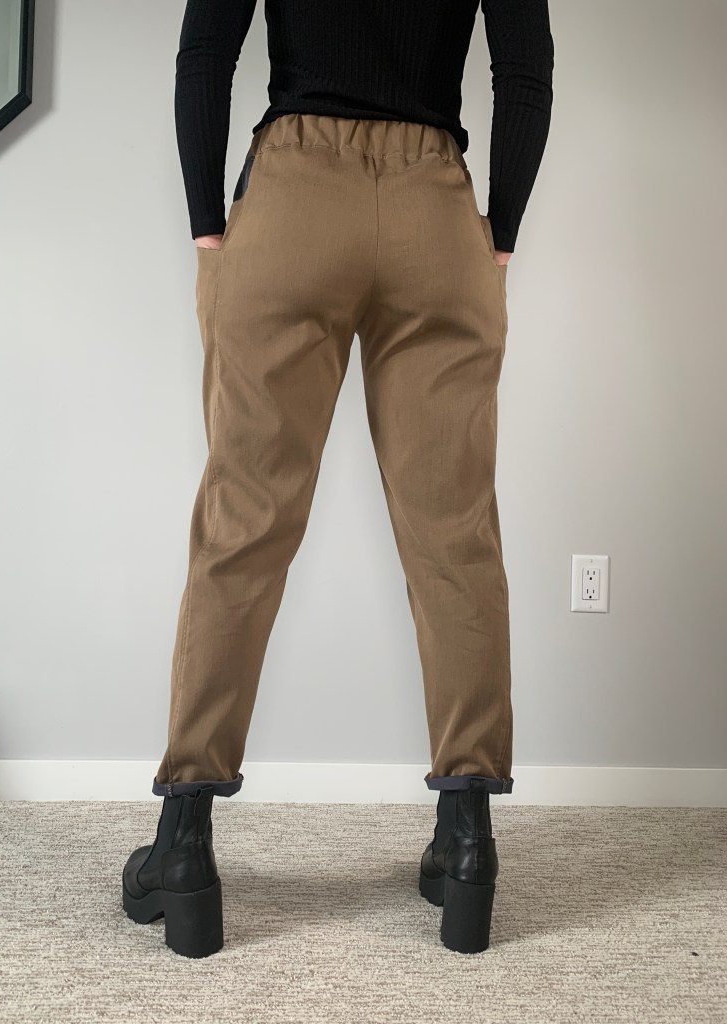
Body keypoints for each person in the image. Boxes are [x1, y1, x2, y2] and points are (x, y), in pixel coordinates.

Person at [122, 0, 554, 958]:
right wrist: (499, 235)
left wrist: (207, 228)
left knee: (244, 521)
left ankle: (183, 841)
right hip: (436, 208)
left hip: (291, 201)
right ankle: (468, 839)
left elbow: (205, 55)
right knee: (455, 533)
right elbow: (526, 70)